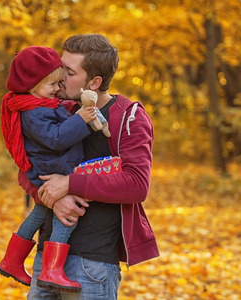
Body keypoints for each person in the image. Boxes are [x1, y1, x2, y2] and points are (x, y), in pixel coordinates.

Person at [18, 34, 160, 299]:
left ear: (94, 82)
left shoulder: (128, 117)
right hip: (45, 255)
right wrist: (50, 198)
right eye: (60, 67)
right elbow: (27, 169)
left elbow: (137, 185)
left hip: (91, 262)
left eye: (69, 72)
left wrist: (69, 184)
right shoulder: (55, 109)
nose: (59, 76)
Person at [0, 46, 98, 292]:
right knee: (67, 214)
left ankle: (12, 261)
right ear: (31, 86)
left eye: (60, 82)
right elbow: (56, 138)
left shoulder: (38, 104)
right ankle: (53, 270)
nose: (57, 89)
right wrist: (81, 119)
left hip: (50, 166)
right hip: (53, 169)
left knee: (40, 213)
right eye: (52, 84)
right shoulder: (34, 112)